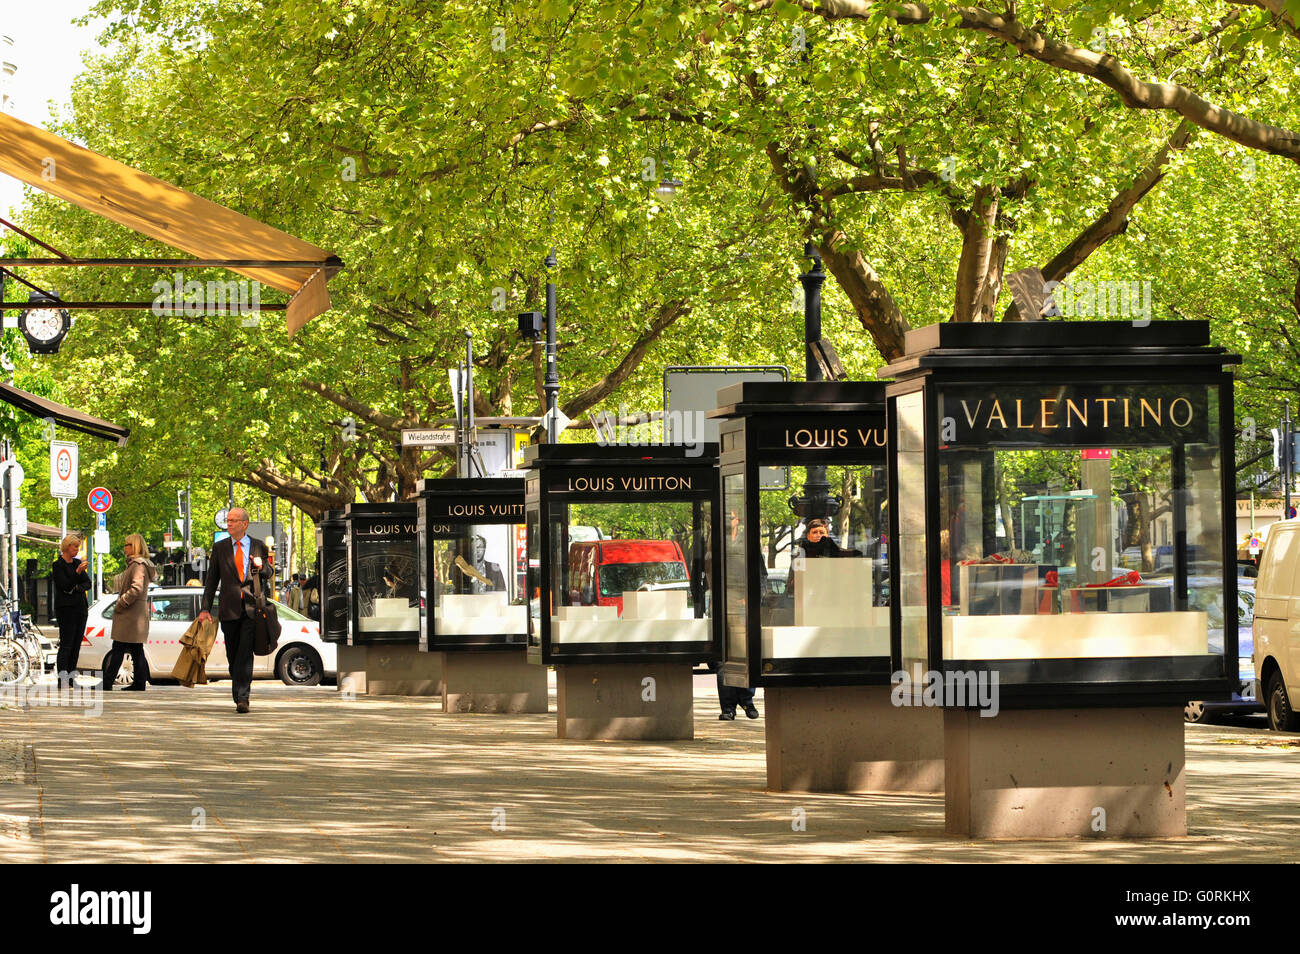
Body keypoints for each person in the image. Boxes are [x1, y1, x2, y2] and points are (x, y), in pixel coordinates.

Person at [198, 507, 272, 714]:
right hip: (228, 608)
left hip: (251, 608)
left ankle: (243, 697)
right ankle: (238, 691)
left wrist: (260, 564)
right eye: (228, 520)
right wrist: (205, 609)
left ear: (244, 524)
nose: (228, 524)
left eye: (233, 520)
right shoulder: (220, 548)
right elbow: (212, 581)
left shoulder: (258, 546)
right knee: (233, 653)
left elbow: (268, 573)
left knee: (245, 653)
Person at [102, 533, 156, 691]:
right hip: (135, 615)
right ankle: (139, 682)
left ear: (134, 546)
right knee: (135, 649)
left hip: (130, 615)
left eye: (127, 544)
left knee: (119, 648)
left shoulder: (138, 564)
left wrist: (121, 602)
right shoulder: (139, 564)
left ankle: (107, 682)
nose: (124, 547)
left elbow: (137, 588)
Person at [51, 534, 91, 686]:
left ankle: (72, 677)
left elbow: (88, 583)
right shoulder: (58, 565)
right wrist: (77, 573)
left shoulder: (77, 563)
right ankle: (62, 678)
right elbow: (65, 585)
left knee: (76, 644)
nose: (77, 550)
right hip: (66, 609)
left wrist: (77, 587)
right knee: (66, 644)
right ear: (67, 547)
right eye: (75, 547)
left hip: (80, 608)